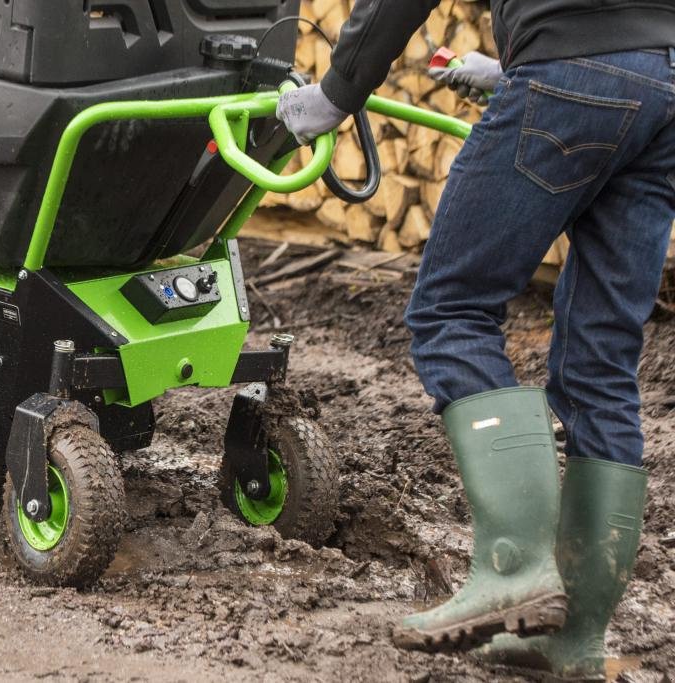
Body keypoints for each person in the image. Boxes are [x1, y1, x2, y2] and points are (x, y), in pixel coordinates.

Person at [276, 1, 675, 680]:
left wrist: (336, 92)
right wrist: (531, 62)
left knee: (451, 310)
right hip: (665, 85)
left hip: (569, 70)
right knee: (602, 360)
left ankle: (516, 571)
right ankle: (572, 633)